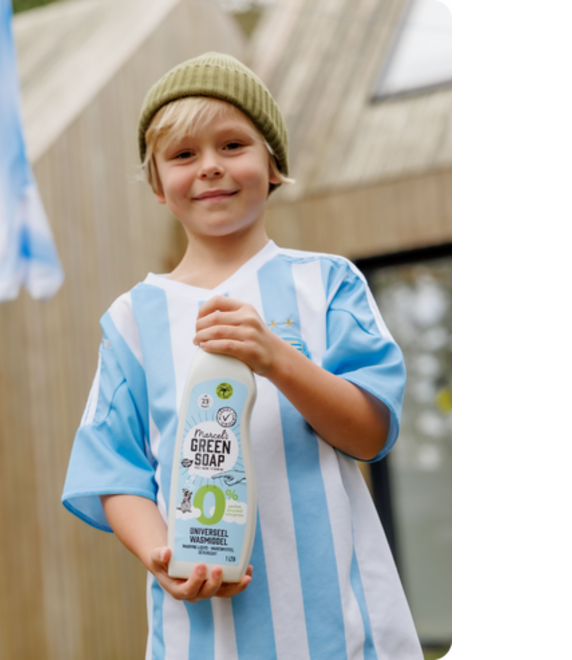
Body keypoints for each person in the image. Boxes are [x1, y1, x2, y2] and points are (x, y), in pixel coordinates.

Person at [62, 52, 423, 659]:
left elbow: (369, 433)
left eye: (233, 145)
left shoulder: (328, 284)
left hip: (344, 625)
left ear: (274, 165)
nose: (209, 168)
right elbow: (113, 471)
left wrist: (279, 360)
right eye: (182, 155)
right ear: (157, 185)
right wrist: (160, 554)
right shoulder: (133, 319)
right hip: (202, 639)